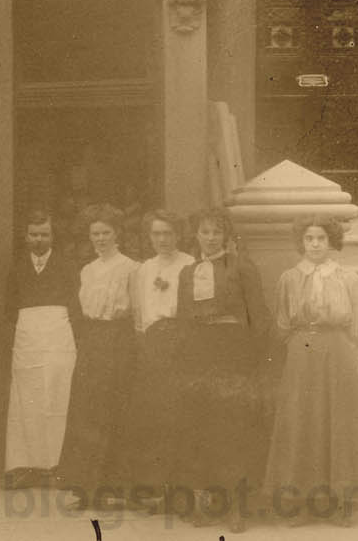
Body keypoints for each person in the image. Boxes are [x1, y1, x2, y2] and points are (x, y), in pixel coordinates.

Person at [263, 216, 358, 526]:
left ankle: (336, 502)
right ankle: (300, 502)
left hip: (336, 351)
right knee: (301, 421)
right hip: (301, 352)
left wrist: (338, 345)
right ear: (301, 242)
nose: (314, 244)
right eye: (309, 238)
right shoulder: (289, 278)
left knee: (336, 420)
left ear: (331, 241)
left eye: (321, 238)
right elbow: (282, 322)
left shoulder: (348, 278)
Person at [172, 208, 268, 532]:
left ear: (226, 235)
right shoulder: (188, 272)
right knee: (199, 427)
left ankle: (236, 508)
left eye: (216, 232)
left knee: (233, 428)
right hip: (198, 355)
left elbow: (259, 317)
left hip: (233, 353)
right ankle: (203, 505)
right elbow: (184, 319)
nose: (210, 237)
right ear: (196, 234)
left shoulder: (242, 267)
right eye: (204, 231)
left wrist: (253, 361)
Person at [56, 204, 138, 510]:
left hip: (118, 339)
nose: (100, 238)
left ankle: (113, 487)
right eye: (95, 233)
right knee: (86, 411)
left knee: (112, 410)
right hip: (91, 341)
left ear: (117, 234)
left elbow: (136, 310)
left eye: (106, 233)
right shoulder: (87, 270)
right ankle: (84, 487)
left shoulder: (131, 267)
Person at [115, 209, 194, 506]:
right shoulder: (144, 269)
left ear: (178, 235)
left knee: (176, 415)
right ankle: (152, 487)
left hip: (179, 342)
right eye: (156, 234)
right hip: (150, 345)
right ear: (149, 237)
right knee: (150, 415)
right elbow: (139, 312)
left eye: (168, 233)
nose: (162, 239)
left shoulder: (189, 264)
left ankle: (177, 489)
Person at [2, 207, 80, 488]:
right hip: (28, 341)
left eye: (44, 234)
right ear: (26, 236)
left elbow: (76, 305)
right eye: (34, 234)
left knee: (58, 398)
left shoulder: (67, 265)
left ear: (52, 235)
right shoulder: (18, 267)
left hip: (58, 338)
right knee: (27, 401)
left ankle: (57, 465)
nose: (39, 239)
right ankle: (26, 465)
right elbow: (10, 308)